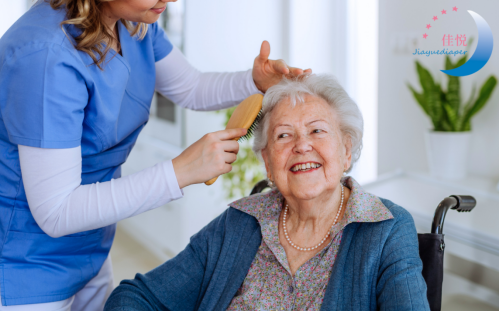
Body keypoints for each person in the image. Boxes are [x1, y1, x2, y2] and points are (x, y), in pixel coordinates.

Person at [0, 0, 310, 310]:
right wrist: (180, 171)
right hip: (17, 266)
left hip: (87, 246)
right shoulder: (43, 56)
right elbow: (56, 212)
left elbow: (192, 87)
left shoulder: (132, 22)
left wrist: (253, 81)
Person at [104, 75, 431, 311]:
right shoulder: (239, 222)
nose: (302, 145)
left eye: (317, 130)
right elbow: (137, 297)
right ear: (267, 163)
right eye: (284, 136)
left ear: (347, 150)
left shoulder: (387, 228)